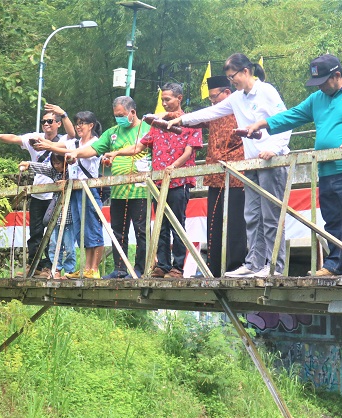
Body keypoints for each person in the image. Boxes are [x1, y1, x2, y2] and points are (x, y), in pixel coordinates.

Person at [244, 54, 342, 276]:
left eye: (323, 81)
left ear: (337, 75)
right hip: (327, 169)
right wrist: (265, 123)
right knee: (333, 219)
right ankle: (335, 263)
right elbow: (293, 115)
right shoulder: (318, 99)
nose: (321, 87)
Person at [167, 53, 291, 278]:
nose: (231, 81)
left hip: (272, 161)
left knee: (271, 217)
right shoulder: (237, 98)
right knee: (252, 216)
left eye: (233, 76)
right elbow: (212, 112)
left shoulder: (266, 92)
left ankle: (275, 267)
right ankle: (254, 263)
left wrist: (275, 148)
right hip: (251, 164)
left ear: (246, 71)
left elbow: (285, 121)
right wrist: (181, 120)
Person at [104, 83, 203, 278]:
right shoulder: (156, 125)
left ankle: (178, 267)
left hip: (178, 181)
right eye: (163, 100)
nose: (165, 103)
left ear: (179, 98)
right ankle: (163, 265)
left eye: (168, 99)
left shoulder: (191, 122)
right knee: (161, 224)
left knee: (177, 223)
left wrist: (173, 167)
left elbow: (190, 151)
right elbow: (139, 147)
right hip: (158, 183)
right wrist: (116, 152)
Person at [0, 104, 75, 278]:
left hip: (55, 193)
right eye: (43, 122)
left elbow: (73, 134)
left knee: (52, 231)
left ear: (58, 124)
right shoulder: (35, 138)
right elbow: (15, 138)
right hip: (38, 192)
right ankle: (34, 265)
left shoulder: (63, 142)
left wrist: (63, 113)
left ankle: (50, 266)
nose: (46, 124)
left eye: (50, 121)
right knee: (35, 230)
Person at [66, 97, 150, 279]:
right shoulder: (112, 132)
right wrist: (76, 153)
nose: (118, 118)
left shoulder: (147, 128)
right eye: (116, 115)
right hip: (118, 191)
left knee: (141, 230)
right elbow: (94, 149)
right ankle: (120, 268)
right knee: (118, 230)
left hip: (141, 189)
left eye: (121, 115)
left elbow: (141, 147)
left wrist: (117, 153)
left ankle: (140, 269)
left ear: (132, 112)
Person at [201, 76, 248, 278]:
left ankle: (235, 266)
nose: (212, 102)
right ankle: (213, 268)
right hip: (215, 174)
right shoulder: (213, 114)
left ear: (227, 93)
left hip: (237, 174)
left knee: (236, 222)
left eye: (214, 97)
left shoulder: (241, 111)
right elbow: (194, 121)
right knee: (214, 221)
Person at [61, 111, 105, 279]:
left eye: (82, 123)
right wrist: (45, 145)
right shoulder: (75, 142)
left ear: (91, 125)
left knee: (94, 228)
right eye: (77, 123)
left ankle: (94, 269)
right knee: (82, 230)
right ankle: (87, 268)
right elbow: (60, 148)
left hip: (90, 188)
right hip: (77, 189)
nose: (78, 126)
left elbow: (89, 154)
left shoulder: (97, 142)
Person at [19, 153, 75, 279]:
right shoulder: (53, 172)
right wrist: (29, 164)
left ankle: (69, 271)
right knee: (53, 244)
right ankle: (55, 269)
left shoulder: (72, 170)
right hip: (56, 212)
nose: (56, 166)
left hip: (68, 212)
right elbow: (43, 168)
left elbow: (78, 178)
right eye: (54, 163)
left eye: (58, 163)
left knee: (69, 245)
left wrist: (67, 182)